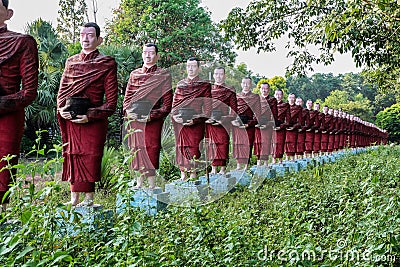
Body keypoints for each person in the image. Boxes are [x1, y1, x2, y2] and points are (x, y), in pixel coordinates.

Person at [57, 22, 118, 206]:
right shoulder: (71, 62)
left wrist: (90, 115)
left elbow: (111, 103)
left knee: (90, 156)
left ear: (99, 39)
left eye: (90, 35)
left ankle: (89, 199)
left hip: (92, 120)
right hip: (72, 119)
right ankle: (74, 198)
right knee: (73, 154)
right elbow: (62, 92)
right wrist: (61, 109)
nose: (85, 38)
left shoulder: (106, 63)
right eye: (83, 34)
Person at [0, 0, 38, 211]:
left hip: (8, 115)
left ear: (8, 13)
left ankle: (3, 215)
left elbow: (29, 91)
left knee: (3, 168)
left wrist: (3, 102)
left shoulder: (22, 43)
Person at [123, 43, 173, 189]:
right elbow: (127, 100)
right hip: (134, 119)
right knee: (136, 148)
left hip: (152, 119)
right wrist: (129, 112)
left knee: (151, 148)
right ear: (142, 54)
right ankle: (138, 183)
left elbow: (166, 105)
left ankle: (151, 185)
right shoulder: (135, 74)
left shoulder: (163, 75)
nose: (148, 55)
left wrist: (151, 116)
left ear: (157, 56)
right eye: (145, 52)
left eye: (151, 53)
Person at [171, 57, 211, 180]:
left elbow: (208, 110)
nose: (191, 69)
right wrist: (176, 118)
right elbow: (174, 107)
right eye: (188, 66)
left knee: (194, 147)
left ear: (198, 68)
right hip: (181, 123)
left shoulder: (204, 85)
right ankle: (183, 174)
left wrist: (195, 120)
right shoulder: (181, 85)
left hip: (196, 123)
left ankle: (193, 175)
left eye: (193, 66)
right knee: (181, 147)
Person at [206, 67, 237, 174]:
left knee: (223, 144)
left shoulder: (229, 90)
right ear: (213, 75)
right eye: (216, 74)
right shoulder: (208, 89)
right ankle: (213, 168)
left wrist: (223, 119)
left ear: (225, 76)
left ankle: (223, 168)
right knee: (211, 145)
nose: (218, 76)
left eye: (221, 74)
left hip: (224, 122)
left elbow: (233, 112)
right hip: (210, 121)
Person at [231, 77, 261, 170]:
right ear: (241, 84)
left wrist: (249, 124)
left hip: (249, 123)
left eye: (247, 83)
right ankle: (238, 165)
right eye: (244, 83)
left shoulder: (255, 97)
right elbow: (232, 111)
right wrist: (233, 121)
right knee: (237, 144)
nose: (245, 85)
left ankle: (246, 166)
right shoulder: (236, 96)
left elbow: (258, 114)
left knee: (247, 144)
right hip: (237, 123)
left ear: (251, 85)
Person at [254, 82, 278, 167]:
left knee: (266, 143)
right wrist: (254, 122)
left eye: (266, 88)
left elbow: (275, 115)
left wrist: (270, 124)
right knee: (258, 143)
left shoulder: (272, 100)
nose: (264, 90)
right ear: (260, 89)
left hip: (267, 125)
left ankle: (265, 163)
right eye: (262, 88)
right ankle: (258, 162)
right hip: (257, 125)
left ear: (269, 90)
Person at [272, 89, 290, 164]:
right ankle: (273, 160)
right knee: (273, 144)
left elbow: (288, 121)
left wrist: (281, 126)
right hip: (271, 127)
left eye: (279, 94)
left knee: (280, 143)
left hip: (281, 127)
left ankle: (280, 160)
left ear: (282, 96)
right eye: (276, 94)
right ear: (274, 95)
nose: (278, 96)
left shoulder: (285, 105)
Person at [285, 94, 302, 161]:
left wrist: (294, 127)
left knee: (293, 143)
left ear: (295, 99)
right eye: (290, 97)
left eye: (293, 98)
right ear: (288, 98)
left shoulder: (298, 108)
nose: (291, 99)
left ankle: (293, 159)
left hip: (294, 128)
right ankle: (286, 158)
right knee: (286, 143)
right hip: (285, 128)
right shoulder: (284, 106)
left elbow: (300, 121)